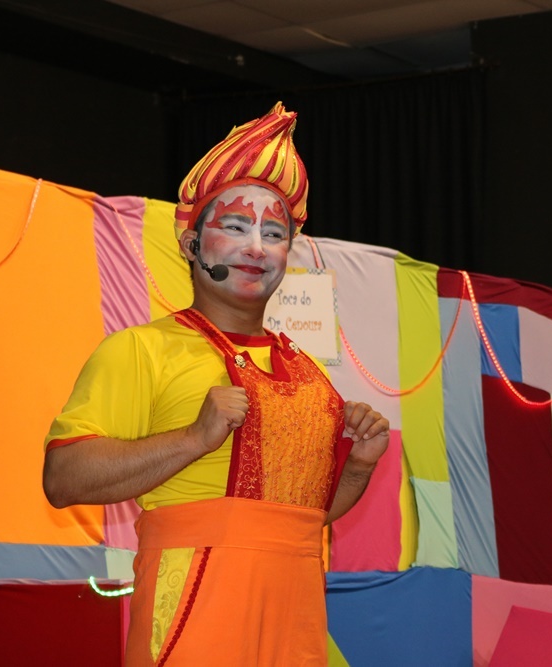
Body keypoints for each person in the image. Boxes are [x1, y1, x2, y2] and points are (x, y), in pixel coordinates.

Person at [42, 102, 389, 666]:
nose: (256, 247)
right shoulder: (142, 349)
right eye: (234, 226)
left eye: (274, 233)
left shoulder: (308, 374)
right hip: (194, 617)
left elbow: (301, 521)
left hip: (295, 624)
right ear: (190, 244)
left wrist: (358, 467)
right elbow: (62, 479)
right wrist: (193, 438)